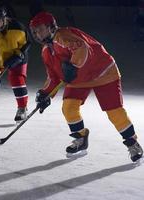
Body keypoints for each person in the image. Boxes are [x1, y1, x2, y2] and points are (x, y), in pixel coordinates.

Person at [29, 11, 143, 163]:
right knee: (68, 107)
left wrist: (74, 66)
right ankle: (81, 138)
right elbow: (53, 77)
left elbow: (82, 48)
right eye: (35, 31)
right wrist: (44, 94)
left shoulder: (63, 36)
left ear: (51, 27)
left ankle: (132, 143)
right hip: (80, 79)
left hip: (103, 73)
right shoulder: (46, 52)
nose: (37, 33)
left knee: (114, 112)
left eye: (40, 28)